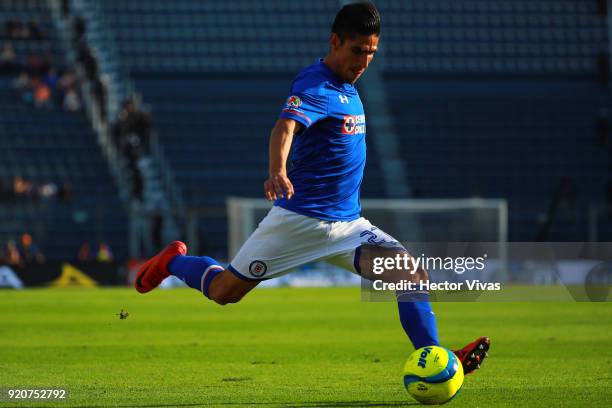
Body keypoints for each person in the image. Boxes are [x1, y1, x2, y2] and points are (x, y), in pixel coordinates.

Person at [134, 2, 489, 374]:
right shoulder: (315, 84)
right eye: (357, 51)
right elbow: (284, 127)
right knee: (225, 291)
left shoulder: (349, 89)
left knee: (409, 273)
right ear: (335, 41)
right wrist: (277, 170)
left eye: (371, 53)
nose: (364, 62)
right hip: (298, 221)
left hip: (348, 228)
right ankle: (172, 260)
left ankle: (436, 358)